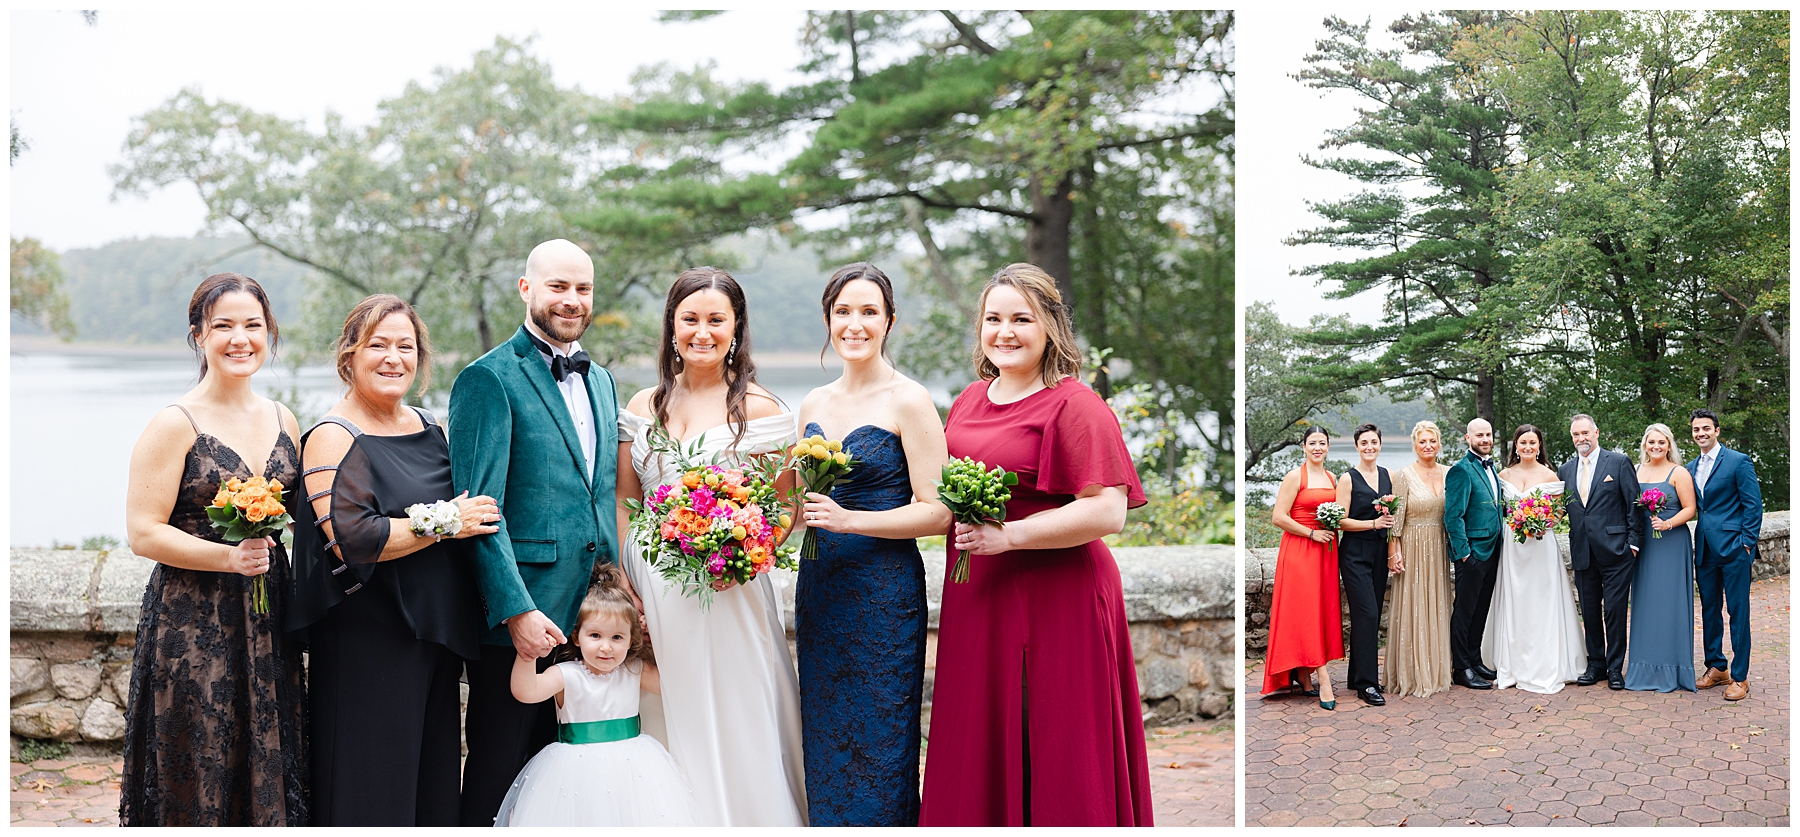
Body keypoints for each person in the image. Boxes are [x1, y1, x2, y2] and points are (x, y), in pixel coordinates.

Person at [919, 263, 1151, 827]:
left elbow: (1107, 510)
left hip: (1058, 595)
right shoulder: (972, 399)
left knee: (1057, 737)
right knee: (979, 730)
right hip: (980, 594)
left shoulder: (1075, 405)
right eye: (993, 318)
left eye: (1021, 318)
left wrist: (1011, 536)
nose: (1005, 331)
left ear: (1049, 325)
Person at [288, 295, 498, 824]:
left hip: (434, 635)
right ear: (349, 356)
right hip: (368, 640)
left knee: (430, 792)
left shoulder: (428, 426)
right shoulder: (333, 436)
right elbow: (352, 538)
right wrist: (447, 521)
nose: (393, 358)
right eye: (377, 345)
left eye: (405, 346)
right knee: (370, 787)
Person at [614, 266, 808, 826]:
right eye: (690, 318)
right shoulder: (644, 403)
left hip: (732, 586)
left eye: (716, 320)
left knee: (736, 710)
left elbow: (786, 507)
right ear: (671, 327)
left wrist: (744, 551)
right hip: (652, 584)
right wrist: (629, 578)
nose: (702, 331)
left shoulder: (764, 410)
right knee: (665, 706)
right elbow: (626, 500)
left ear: (736, 326)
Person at [120, 273, 307, 826]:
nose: (240, 338)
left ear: (269, 334)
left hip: (268, 618)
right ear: (199, 335)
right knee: (199, 757)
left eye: (253, 325)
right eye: (223, 325)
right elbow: (142, 531)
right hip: (192, 620)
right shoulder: (174, 424)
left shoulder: (283, 419)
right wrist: (227, 557)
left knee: (269, 753)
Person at [448, 239, 623, 826]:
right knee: (501, 770)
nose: (571, 300)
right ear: (526, 289)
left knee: (570, 775)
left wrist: (615, 594)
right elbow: (478, 509)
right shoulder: (487, 379)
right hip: (522, 620)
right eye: (558, 286)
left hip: (590, 618)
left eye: (582, 288)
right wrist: (515, 611)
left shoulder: (601, 378)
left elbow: (599, 495)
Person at [794, 264, 951, 825]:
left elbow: (938, 512)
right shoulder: (812, 403)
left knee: (882, 736)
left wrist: (850, 521)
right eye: (842, 312)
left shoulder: (909, 400)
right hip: (820, 590)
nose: (854, 324)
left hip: (883, 595)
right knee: (824, 730)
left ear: (889, 321)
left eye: (868, 312)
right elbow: (796, 506)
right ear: (828, 319)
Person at [494, 566, 699, 826]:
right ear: (577, 637)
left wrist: (657, 634)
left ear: (630, 640)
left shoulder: (633, 669)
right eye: (595, 635)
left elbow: (672, 683)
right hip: (575, 773)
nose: (606, 646)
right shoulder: (566, 674)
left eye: (617, 637)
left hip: (633, 770)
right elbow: (525, 692)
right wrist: (528, 655)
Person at [1482, 425, 1584, 694]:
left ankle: (1546, 661)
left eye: (1533, 443)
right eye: (1523, 442)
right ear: (1515, 445)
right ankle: (1513, 662)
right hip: (1513, 546)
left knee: (1541, 600)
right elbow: (1499, 509)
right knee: (1515, 600)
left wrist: (1542, 522)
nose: (1528, 447)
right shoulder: (1502, 474)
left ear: (1540, 446)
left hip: (1540, 545)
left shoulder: (1550, 474)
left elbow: (1560, 511)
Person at [1557, 414, 1643, 690]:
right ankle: (1596, 665)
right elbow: (1563, 509)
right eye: (1575, 435)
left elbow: (1634, 503)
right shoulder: (1565, 470)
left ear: (1596, 432)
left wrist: (1633, 542)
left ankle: (1615, 668)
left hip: (1617, 551)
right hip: (1582, 550)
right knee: (1590, 611)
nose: (1580, 438)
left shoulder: (1617, 462)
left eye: (1585, 433)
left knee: (1615, 611)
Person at [1261, 426, 1345, 709]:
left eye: (1322, 443)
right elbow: (1278, 517)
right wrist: (1311, 534)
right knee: (1307, 611)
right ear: (1304, 447)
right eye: (1312, 443)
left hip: (1326, 552)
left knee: (1321, 610)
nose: (1317, 447)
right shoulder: (1295, 476)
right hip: (1300, 550)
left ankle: (1304, 675)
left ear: (1328, 447)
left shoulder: (1332, 477)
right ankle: (1323, 679)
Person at [1686, 409, 1762, 701]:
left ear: (1717, 431)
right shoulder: (1691, 467)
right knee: (1709, 610)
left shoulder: (1737, 461)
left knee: (1738, 613)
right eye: (1696, 429)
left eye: (1706, 428)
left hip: (1734, 549)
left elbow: (1753, 505)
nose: (1701, 433)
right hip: (1705, 548)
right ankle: (1717, 667)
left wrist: (1746, 544)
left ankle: (1740, 677)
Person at [1624, 423, 1698, 692]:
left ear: (1669, 445)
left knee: (1671, 603)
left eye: (1661, 443)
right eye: (1651, 442)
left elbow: (1690, 508)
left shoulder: (1679, 472)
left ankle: (1674, 669)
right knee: (1646, 604)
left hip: (1671, 543)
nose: (1656, 447)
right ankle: (1643, 667)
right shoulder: (1634, 470)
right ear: (1645, 444)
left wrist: (1667, 524)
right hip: (1645, 544)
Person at [1384, 420, 1453, 698]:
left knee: (1437, 604)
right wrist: (1393, 552)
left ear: (1439, 444)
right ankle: (1412, 673)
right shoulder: (1403, 475)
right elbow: (1394, 521)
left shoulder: (1450, 473)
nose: (1428, 446)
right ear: (1414, 445)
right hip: (1411, 546)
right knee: (1413, 605)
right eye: (1422, 441)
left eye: (1432, 441)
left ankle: (1439, 668)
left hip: (1438, 545)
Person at [1334, 424, 1394, 706]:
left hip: (1380, 552)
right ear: (1356, 446)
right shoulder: (1347, 479)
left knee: (1373, 612)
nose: (1369, 447)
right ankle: (1367, 684)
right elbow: (1339, 520)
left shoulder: (1388, 476)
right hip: (1354, 553)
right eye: (1364, 443)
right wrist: (1372, 523)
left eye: (1374, 442)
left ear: (1380, 444)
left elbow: (1394, 517)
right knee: (1367, 614)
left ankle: (1357, 674)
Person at [1443, 418, 1503, 690]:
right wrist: (1464, 553)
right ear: (1468, 438)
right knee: (1465, 611)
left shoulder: (1493, 468)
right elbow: (1452, 516)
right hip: (1473, 554)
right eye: (1479, 435)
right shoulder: (1460, 471)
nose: (1485, 439)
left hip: (1493, 550)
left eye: (1488, 434)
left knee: (1481, 610)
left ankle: (1475, 658)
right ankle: (1461, 667)